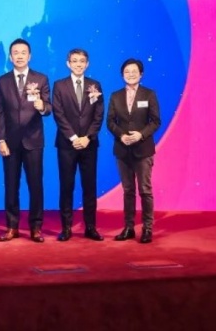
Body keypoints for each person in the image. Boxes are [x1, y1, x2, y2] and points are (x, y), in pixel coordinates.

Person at [0, 38, 52, 243]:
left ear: (30, 56)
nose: (19, 56)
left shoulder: (41, 79)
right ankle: (12, 226)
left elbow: (49, 108)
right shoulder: (2, 81)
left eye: (23, 52)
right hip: (10, 142)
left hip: (33, 141)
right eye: (15, 52)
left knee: (35, 185)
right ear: (10, 57)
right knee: (11, 186)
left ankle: (36, 227)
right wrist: (0, 140)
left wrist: (42, 107)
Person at [52, 48, 105, 242]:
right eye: (74, 61)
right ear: (68, 64)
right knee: (67, 186)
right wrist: (74, 137)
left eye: (82, 61)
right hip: (67, 145)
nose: (78, 64)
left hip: (89, 145)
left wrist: (88, 137)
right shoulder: (59, 85)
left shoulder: (95, 85)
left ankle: (90, 227)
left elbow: (99, 114)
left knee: (89, 186)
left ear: (87, 64)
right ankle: (66, 228)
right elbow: (58, 114)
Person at [106, 58, 161, 244]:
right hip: (122, 150)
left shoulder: (149, 94)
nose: (130, 74)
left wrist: (141, 135)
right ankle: (129, 228)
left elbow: (155, 121)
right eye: (127, 72)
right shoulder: (115, 96)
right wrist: (121, 135)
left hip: (143, 149)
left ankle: (147, 229)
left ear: (141, 74)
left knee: (145, 190)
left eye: (134, 71)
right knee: (128, 190)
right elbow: (110, 122)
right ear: (122, 75)